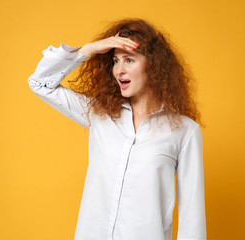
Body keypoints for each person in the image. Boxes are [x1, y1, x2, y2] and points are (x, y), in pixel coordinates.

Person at [28, 18, 207, 240]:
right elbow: (40, 83)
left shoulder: (184, 132)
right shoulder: (99, 114)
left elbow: (192, 220)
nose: (119, 70)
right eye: (115, 61)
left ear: (154, 66)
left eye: (129, 60)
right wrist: (89, 49)